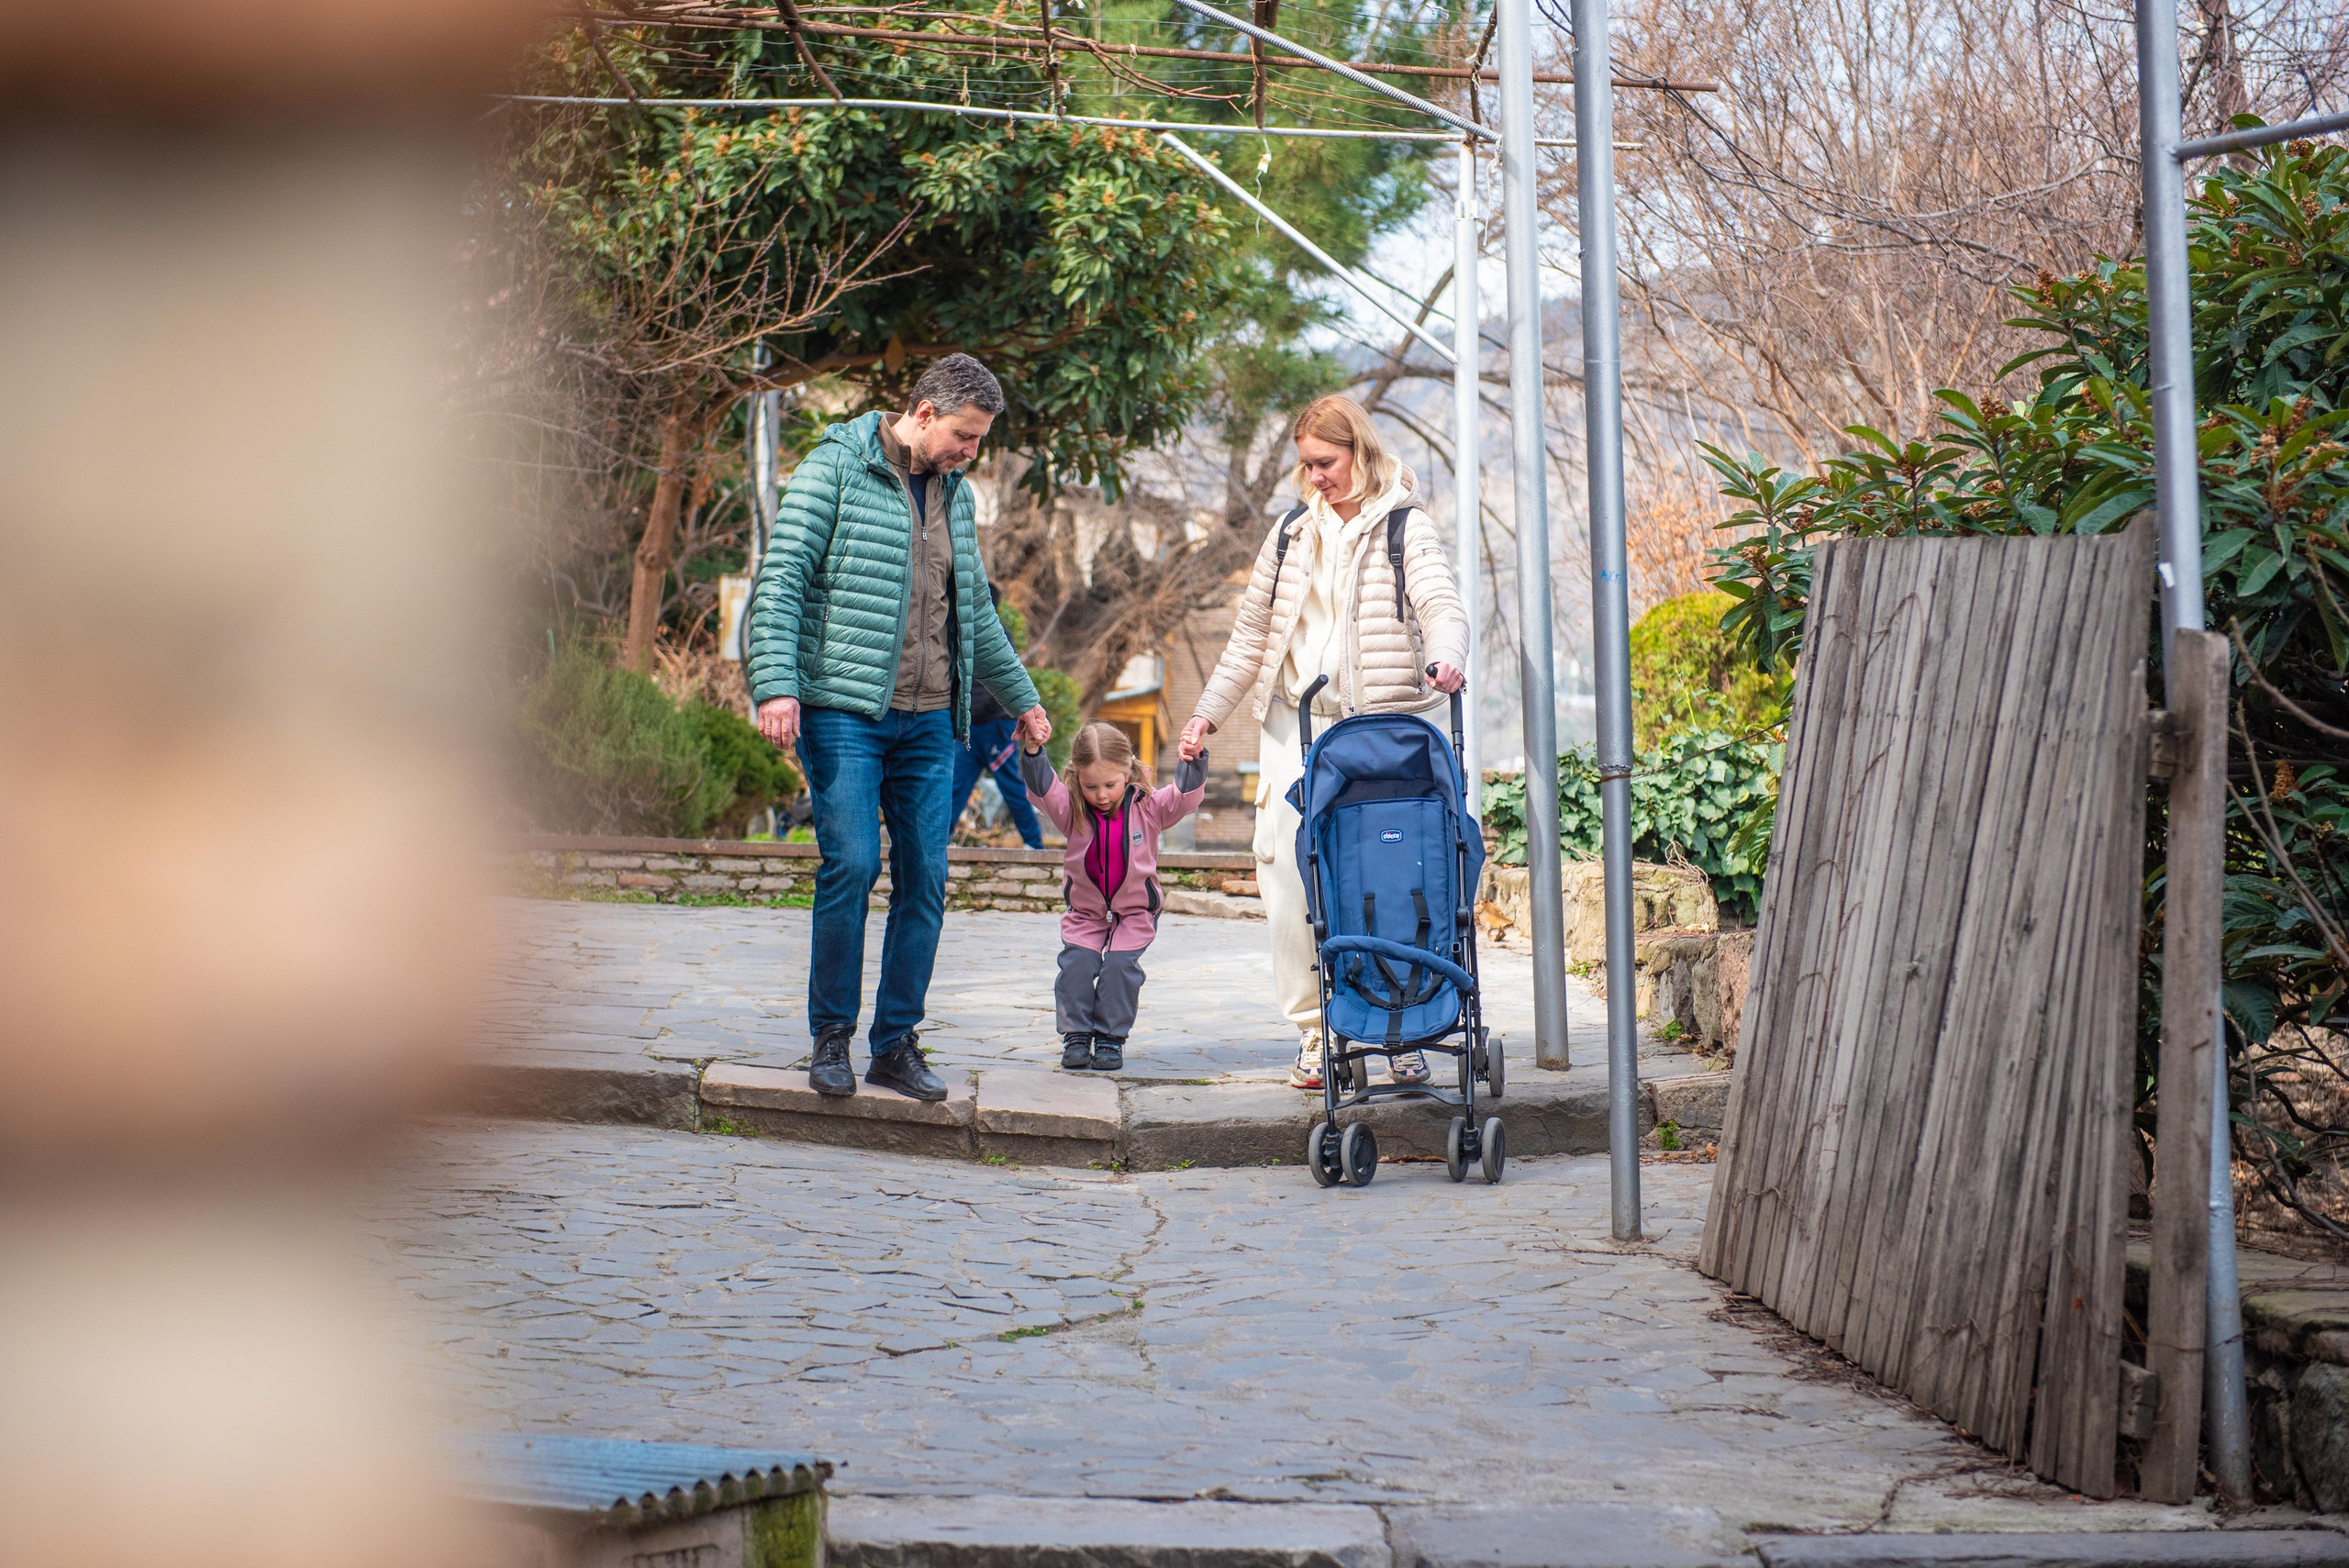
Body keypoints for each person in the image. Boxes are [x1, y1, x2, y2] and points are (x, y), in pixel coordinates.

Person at [746, 353, 1052, 1101]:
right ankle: (830, 1039)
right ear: (921, 414)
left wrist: (1025, 699)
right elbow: (781, 578)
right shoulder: (833, 470)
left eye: (978, 441)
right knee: (851, 863)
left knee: (928, 878)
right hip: (844, 712)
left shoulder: (956, 497)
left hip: (928, 721)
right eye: (963, 436)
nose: (970, 453)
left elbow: (974, 608)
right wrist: (777, 685)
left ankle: (895, 1044)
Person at [1176, 395, 1469, 1091]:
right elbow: (1250, 637)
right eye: (1306, 465)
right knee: (1284, 871)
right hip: (1294, 726)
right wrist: (1205, 716)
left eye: (1325, 463)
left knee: (1392, 875)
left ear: (1358, 452)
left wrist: (1447, 654)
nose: (1315, 478)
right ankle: (1314, 1032)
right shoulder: (1289, 533)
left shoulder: (1405, 525)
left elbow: (1439, 602)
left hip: (1376, 729)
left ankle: (1402, 1024)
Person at [1020, 722, 1208, 1073]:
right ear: (1077, 779)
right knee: (1076, 966)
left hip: (1135, 912)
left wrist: (1193, 761)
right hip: (1087, 913)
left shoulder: (1149, 807)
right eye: (1091, 786)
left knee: (1120, 969)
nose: (1101, 795)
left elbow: (1184, 796)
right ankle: (1076, 1035)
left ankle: (1110, 1038)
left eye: (1110, 784)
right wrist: (1033, 753)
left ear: (1128, 772)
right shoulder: (1071, 808)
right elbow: (1043, 790)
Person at [948, 583, 1047, 850]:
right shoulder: (957, 632)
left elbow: (1005, 680)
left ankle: (1034, 844)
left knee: (1011, 786)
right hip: (970, 728)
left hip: (996, 726)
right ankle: (941, 842)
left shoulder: (997, 635)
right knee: (956, 785)